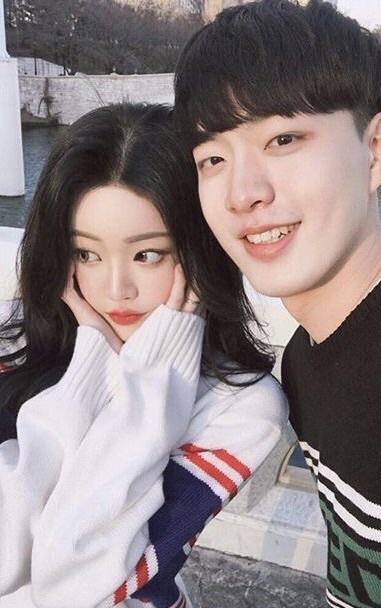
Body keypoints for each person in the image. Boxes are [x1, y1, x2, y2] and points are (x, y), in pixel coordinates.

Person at [173, 1, 381, 606]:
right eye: (213, 158)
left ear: (376, 149)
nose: (244, 194)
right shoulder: (304, 362)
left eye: (283, 138)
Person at [0, 103, 288, 607]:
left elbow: (75, 586)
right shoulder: (15, 341)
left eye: (147, 254)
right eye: (87, 254)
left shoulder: (238, 406)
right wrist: (89, 372)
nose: (116, 289)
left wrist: (144, 387)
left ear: (201, 250)